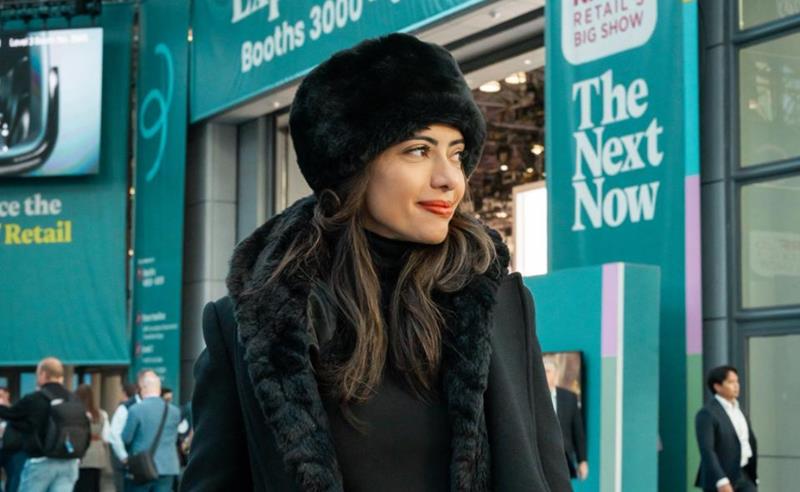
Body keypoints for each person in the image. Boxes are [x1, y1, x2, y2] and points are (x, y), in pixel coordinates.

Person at [182, 33, 571, 492]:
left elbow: (546, 473)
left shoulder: (500, 305)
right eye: (419, 150)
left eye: (456, 153)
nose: (450, 178)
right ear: (352, 163)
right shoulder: (252, 329)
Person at [0, 357, 86, 492]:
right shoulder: (74, 399)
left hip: (42, 461)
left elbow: (10, 414)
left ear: (43, 374)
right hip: (70, 462)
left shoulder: (35, 398)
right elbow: (85, 428)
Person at [695, 366, 758, 492]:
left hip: (744, 475)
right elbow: (707, 450)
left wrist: (753, 476)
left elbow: (747, 442)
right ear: (717, 387)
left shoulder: (740, 411)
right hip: (721, 478)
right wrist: (721, 480)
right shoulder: (707, 414)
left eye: (737, 381)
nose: (736, 386)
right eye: (730, 382)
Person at [122, 370, 180, 492]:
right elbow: (174, 438)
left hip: (141, 467)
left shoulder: (135, 410)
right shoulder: (174, 412)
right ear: (159, 389)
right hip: (167, 467)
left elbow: (126, 438)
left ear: (143, 388)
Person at [543, 358, 588, 481]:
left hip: (564, 457)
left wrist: (582, 460)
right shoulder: (532, 397)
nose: (544, 375)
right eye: (542, 371)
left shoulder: (569, 397)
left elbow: (577, 431)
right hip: (541, 457)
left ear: (556, 375)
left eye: (547, 371)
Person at [74, 385, 110, 492]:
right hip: (97, 454)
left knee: (81, 485)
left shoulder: (76, 414)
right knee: (95, 485)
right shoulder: (102, 414)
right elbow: (106, 437)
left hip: (81, 454)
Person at [109, 382, 140, 491]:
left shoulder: (124, 408)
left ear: (124, 393)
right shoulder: (129, 407)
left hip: (125, 457)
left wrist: (123, 456)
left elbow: (114, 434)